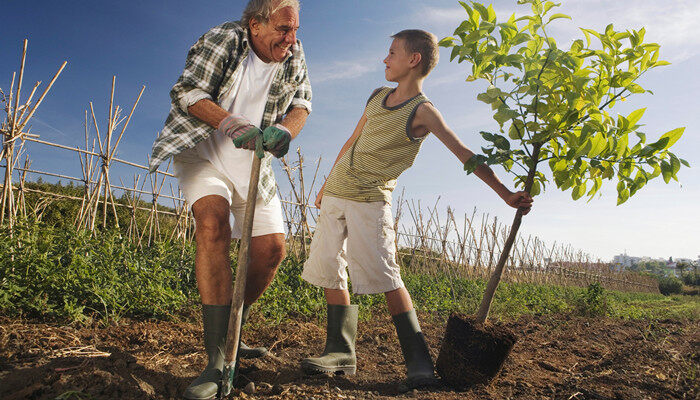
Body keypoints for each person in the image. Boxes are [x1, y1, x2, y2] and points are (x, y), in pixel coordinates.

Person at [299, 30, 532, 390]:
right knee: (329, 267)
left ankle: (418, 360)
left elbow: (464, 153)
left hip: (371, 200)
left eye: (392, 52)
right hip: (338, 194)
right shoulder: (377, 95)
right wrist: (328, 182)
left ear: (414, 60)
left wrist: (503, 193)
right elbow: (352, 140)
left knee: (387, 274)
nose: (385, 59)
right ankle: (340, 351)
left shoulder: (423, 111)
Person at [148, 0, 311, 398]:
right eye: (283, 29)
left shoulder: (294, 53)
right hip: (203, 151)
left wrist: (286, 131)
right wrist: (230, 120)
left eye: (295, 31)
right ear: (256, 25)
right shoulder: (225, 39)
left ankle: (231, 330)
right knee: (213, 224)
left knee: (272, 251)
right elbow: (187, 91)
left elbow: (302, 103)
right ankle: (216, 360)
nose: (291, 39)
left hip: (252, 161)